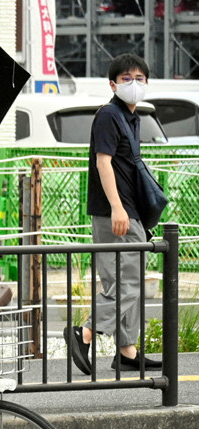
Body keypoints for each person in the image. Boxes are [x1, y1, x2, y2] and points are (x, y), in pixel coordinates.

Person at [65, 53, 163, 374]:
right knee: (127, 283)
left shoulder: (131, 117)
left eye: (140, 79)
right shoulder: (109, 115)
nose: (134, 84)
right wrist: (118, 207)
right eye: (126, 79)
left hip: (128, 212)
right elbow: (103, 162)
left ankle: (127, 352)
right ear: (113, 84)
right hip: (115, 214)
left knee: (124, 281)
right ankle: (86, 332)